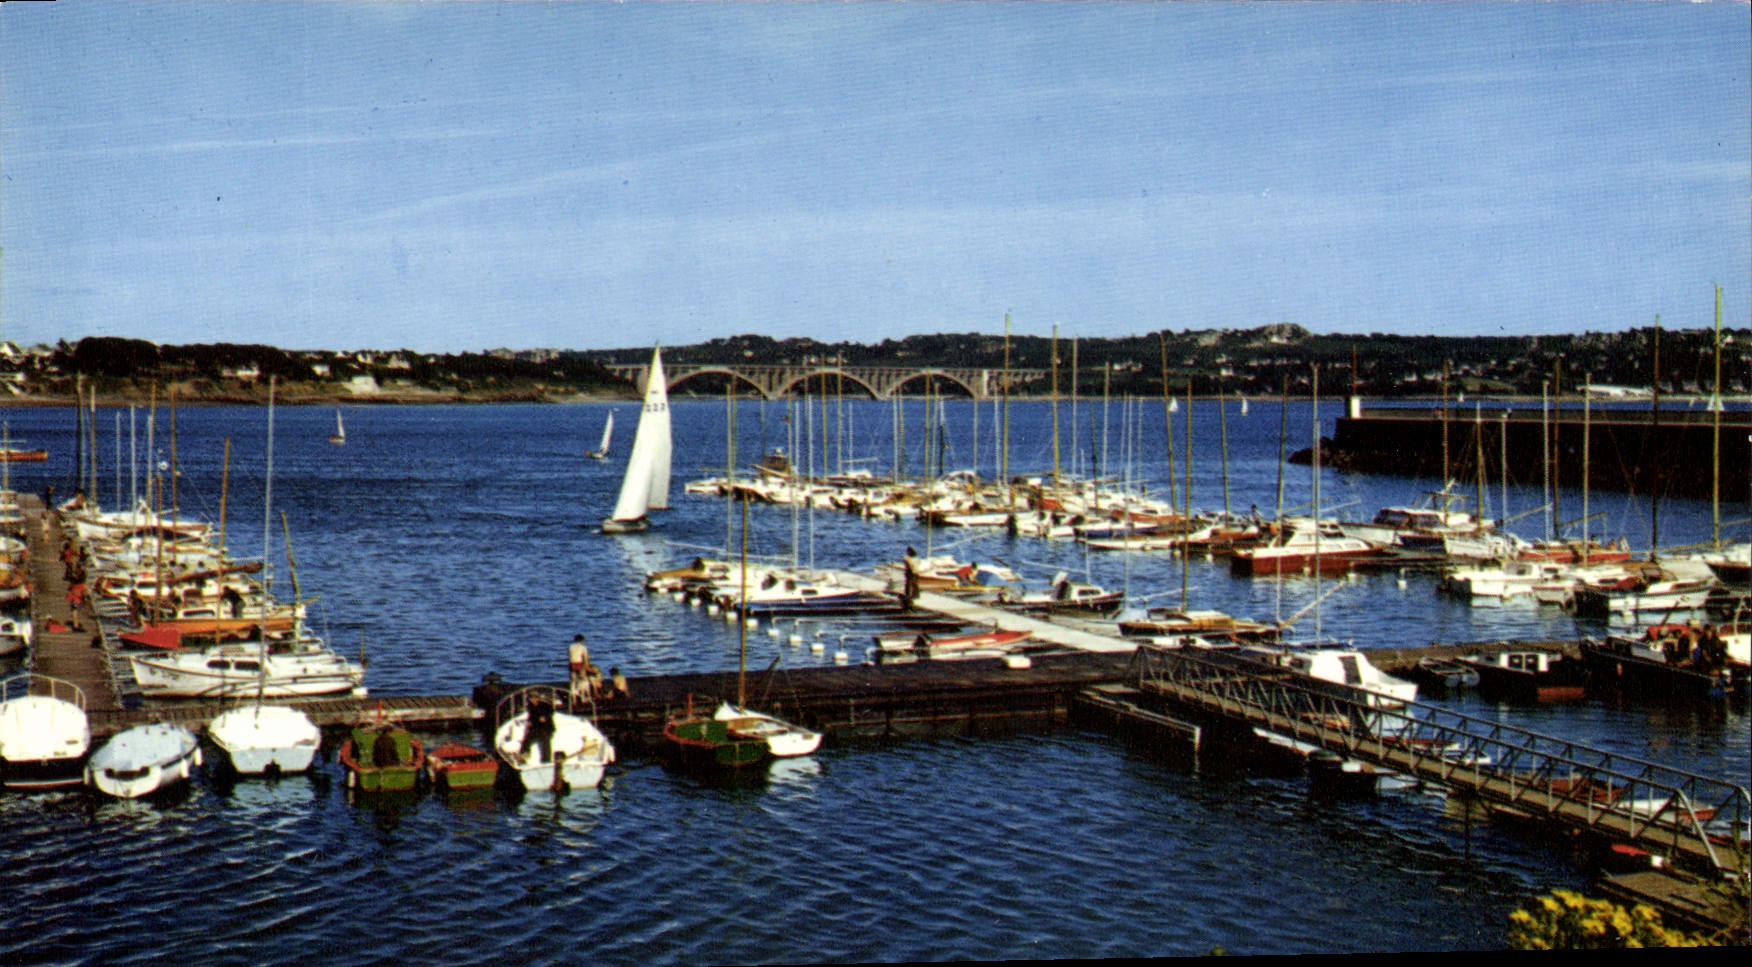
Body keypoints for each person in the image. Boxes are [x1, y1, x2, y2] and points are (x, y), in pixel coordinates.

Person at [522, 693, 556, 764]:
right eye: (532, 699)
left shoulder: (544, 705)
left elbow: (551, 712)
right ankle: (525, 753)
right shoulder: (530, 707)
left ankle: (546, 759)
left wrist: (545, 717)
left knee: (545, 740)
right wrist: (529, 722)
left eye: (535, 698)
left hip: (546, 727)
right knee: (527, 737)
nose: (533, 700)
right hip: (536, 727)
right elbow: (531, 717)